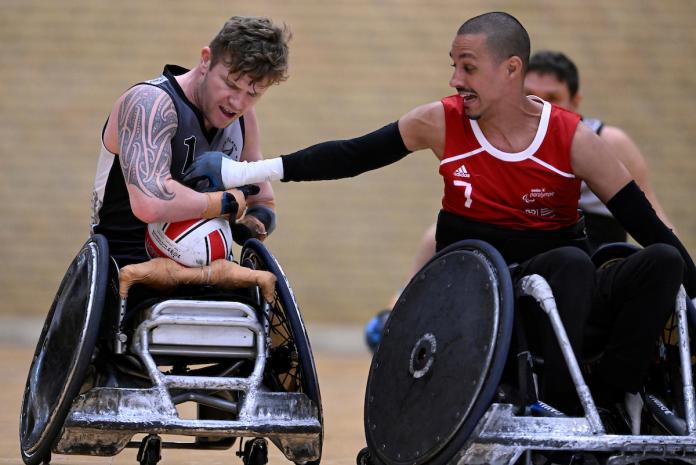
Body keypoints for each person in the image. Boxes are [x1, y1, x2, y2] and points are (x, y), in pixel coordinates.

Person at [182, 12, 696, 419]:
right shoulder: (441, 122)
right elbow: (352, 154)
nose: (455, 78)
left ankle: (611, 394)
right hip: (482, 297)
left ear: (511, 69)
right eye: (454, 64)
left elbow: (647, 221)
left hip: (566, 293)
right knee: (570, 263)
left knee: (659, 263)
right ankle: (561, 406)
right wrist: (240, 170)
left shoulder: (576, 139)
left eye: (468, 66)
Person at [366, 49, 680, 351]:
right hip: (533, 261)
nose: (540, 105)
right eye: (530, 94)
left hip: (594, 262)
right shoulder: (505, 139)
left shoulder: (605, 141)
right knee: (441, 232)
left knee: (640, 263)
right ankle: (399, 305)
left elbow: (653, 216)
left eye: (554, 98)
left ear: (576, 101)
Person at [90, 15, 289, 271]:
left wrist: (253, 225)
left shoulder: (244, 119)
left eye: (252, 94)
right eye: (230, 84)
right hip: (126, 266)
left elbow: (263, 201)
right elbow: (151, 202)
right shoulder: (149, 103)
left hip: (208, 268)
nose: (237, 103)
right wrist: (225, 203)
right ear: (206, 60)